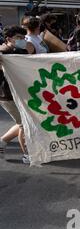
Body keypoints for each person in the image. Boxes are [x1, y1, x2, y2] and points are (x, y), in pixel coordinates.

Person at [0, 26, 31, 163]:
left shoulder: (17, 51)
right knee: (24, 124)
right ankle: (28, 155)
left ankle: (2, 141)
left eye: (24, 38)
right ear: (9, 39)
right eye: (19, 38)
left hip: (18, 93)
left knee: (22, 121)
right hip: (6, 95)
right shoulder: (4, 52)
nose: (22, 40)